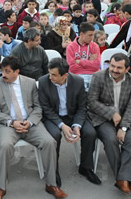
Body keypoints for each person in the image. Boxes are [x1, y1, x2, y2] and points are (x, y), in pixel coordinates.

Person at [0, 56, 66, 199]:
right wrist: (12, 122)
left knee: (49, 142)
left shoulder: (30, 83)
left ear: (17, 71)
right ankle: (1, 187)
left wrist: (29, 122)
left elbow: (38, 107)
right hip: (7, 125)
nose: (3, 74)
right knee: (5, 146)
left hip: (30, 122)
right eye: (2, 71)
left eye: (7, 71)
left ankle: (51, 184)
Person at [38, 58, 100, 186]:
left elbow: (82, 107)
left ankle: (86, 167)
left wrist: (76, 125)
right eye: (49, 73)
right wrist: (62, 126)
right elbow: (46, 109)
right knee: (54, 136)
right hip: (52, 116)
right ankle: (53, 170)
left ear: (65, 75)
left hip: (72, 115)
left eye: (54, 75)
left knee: (90, 133)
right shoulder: (43, 81)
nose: (50, 77)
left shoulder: (78, 81)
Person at [87, 53, 131, 195]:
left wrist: (123, 127)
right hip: (102, 118)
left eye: (119, 68)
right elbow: (91, 102)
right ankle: (123, 179)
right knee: (110, 139)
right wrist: (111, 113)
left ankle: (123, 179)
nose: (114, 70)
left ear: (127, 69)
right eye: (112, 66)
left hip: (125, 118)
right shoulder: (98, 76)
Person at [65, 22, 101, 90]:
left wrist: (80, 62)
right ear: (81, 34)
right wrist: (89, 61)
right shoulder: (71, 47)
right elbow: (72, 67)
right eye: (90, 35)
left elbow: (97, 64)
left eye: (93, 35)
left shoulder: (94, 46)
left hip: (93, 75)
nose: (92, 38)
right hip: (77, 76)